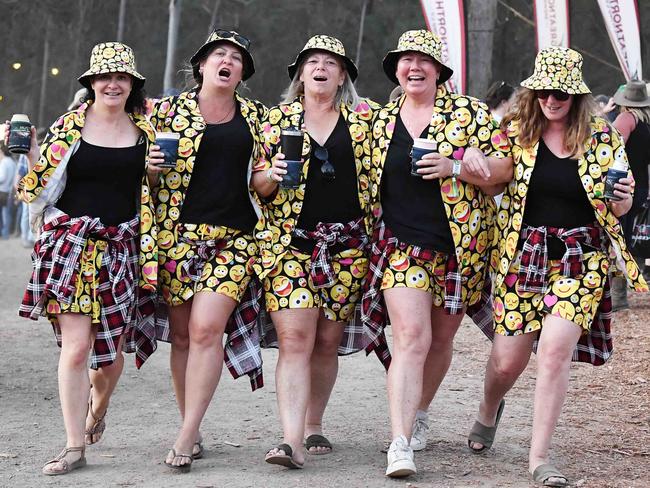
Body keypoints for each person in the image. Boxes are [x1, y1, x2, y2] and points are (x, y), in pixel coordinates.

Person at [467, 47, 647, 487]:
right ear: (534, 92)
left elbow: (621, 202)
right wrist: (469, 161)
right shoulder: (514, 131)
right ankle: (489, 410)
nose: (551, 99)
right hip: (522, 255)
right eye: (544, 90)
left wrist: (622, 199)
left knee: (553, 354)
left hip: (579, 258)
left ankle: (540, 458)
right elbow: (494, 173)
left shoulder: (602, 138)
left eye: (561, 92)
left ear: (577, 96)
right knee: (507, 363)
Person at [363, 30, 512, 477]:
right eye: (406, 60)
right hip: (399, 246)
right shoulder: (378, 121)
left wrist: (456, 166)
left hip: (459, 250)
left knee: (441, 340)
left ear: (439, 71)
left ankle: (420, 410)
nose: (414, 67)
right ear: (395, 69)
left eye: (423, 60)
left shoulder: (467, 112)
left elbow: (503, 170)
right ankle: (400, 442)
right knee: (412, 338)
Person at [15, 41, 159, 475]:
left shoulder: (147, 132)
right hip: (72, 245)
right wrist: (32, 152)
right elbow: (39, 188)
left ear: (131, 84)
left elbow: (156, 195)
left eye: (121, 77)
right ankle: (74, 445)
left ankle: (99, 406)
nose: (112, 84)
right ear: (91, 83)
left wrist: (154, 173)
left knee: (111, 354)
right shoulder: (70, 126)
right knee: (76, 350)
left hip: (122, 249)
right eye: (104, 77)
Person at [252, 35, 384, 470]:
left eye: (331, 62)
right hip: (290, 244)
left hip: (347, 247)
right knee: (295, 339)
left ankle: (313, 423)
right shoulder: (274, 122)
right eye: (312, 62)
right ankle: (289, 440)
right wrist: (268, 174)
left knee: (327, 342)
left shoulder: (365, 123)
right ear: (300, 74)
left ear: (342, 74)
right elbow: (258, 185)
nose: (321, 68)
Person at [146, 29, 267, 473]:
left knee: (205, 332)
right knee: (181, 338)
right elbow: (145, 179)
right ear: (200, 65)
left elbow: (262, 181)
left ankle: (184, 435)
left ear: (242, 74)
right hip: (176, 237)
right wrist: (152, 170)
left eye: (237, 58)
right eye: (220, 54)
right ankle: (191, 428)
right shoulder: (165, 112)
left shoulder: (256, 118)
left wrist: (270, 175)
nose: (228, 61)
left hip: (233, 239)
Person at [610, 80, 650, 310]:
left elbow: (612, 146)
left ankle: (618, 295)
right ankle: (622, 291)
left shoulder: (627, 119)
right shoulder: (646, 122)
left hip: (624, 185)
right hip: (642, 187)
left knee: (618, 238)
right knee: (630, 238)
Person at [0, 145, 17, 239]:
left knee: (3, 214)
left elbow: (2, 177)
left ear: (2, 152)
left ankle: (4, 233)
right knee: (7, 213)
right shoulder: (13, 162)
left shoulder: (4, 162)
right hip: (10, 191)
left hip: (2, 191)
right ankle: (6, 232)